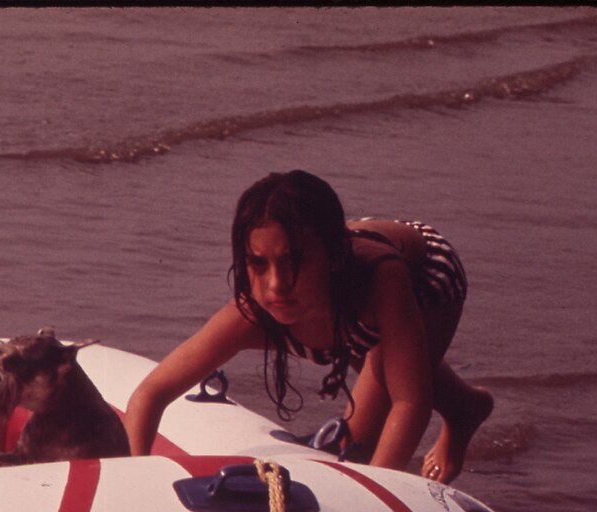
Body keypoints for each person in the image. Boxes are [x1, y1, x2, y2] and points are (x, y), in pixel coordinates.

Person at [124, 170, 493, 484]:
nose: (276, 285)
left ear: (332, 259)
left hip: (422, 273)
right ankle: (467, 406)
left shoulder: (383, 282)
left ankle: (461, 414)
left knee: (364, 433)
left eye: (293, 262)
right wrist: (138, 478)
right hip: (341, 294)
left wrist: (377, 498)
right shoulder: (250, 313)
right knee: (384, 387)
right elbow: (150, 394)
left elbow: (410, 403)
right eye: (258, 263)